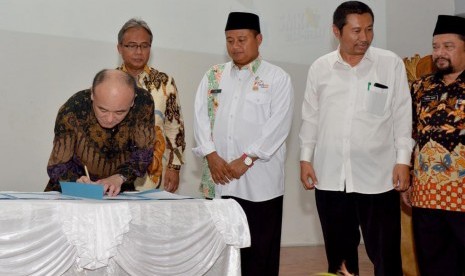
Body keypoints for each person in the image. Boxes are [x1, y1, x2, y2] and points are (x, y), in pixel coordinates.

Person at [298, 1, 414, 275]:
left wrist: (403, 160)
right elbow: (310, 116)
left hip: (378, 178)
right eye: (356, 31)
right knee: (339, 258)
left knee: (386, 256)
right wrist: (305, 158)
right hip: (330, 176)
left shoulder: (390, 64)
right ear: (336, 32)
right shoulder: (320, 68)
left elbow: (401, 115)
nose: (365, 38)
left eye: (370, 30)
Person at [193, 12, 294, 275]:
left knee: (260, 255)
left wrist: (247, 159)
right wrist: (211, 156)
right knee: (220, 251)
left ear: (258, 39)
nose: (235, 46)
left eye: (241, 39)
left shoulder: (277, 78)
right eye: (229, 40)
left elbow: (278, 126)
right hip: (219, 180)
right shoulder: (214, 75)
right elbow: (200, 117)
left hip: (260, 185)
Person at [406, 15, 465, 276]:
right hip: (426, 195)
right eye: (435, 46)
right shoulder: (420, 87)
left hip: (462, 196)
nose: (439, 53)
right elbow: (409, 132)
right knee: (433, 265)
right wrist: (407, 174)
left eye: (448, 46)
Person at [45, 69, 155, 196]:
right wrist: (76, 181)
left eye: (119, 112)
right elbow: (57, 165)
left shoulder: (143, 103)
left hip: (117, 191)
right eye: (102, 110)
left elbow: (143, 155)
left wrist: (119, 177)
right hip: (74, 192)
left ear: (133, 101)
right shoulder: (73, 109)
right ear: (92, 94)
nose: (109, 119)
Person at [116, 18, 185, 193]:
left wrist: (174, 167)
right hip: (114, 172)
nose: (138, 52)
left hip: (154, 173)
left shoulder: (164, 82)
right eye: (131, 46)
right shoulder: (109, 82)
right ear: (119, 48)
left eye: (144, 46)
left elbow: (174, 128)